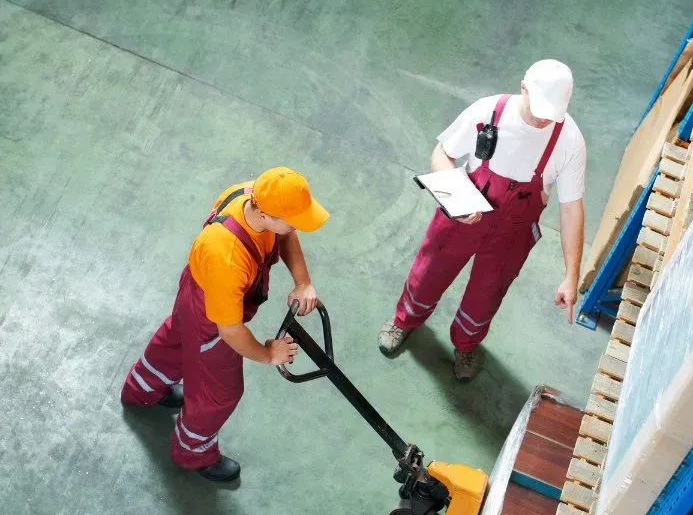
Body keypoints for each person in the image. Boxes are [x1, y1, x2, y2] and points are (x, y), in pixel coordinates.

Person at [379, 59, 586, 381]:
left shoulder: (570, 141)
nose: (544, 119)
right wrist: (458, 200)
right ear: (523, 88)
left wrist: (572, 275)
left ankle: (466, 344)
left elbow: (572, 207)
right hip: (463, 218)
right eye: (538, 109)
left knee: (487, 293)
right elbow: (442, 154)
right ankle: (404, 320)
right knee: (428, 273)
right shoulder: (488, 112)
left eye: (552, 113)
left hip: (512, 232)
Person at [121, 167, 329, 482]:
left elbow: (287, 233)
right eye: (292, 220)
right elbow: (230, 332)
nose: (296, 226)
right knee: (219, 392)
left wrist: (303, 281)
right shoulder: (227, 257)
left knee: (178, 338)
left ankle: (143, 388)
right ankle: (193, 452)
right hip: (212, 314)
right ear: (265, 214)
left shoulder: (251, 194)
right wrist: (267, 354)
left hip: (198, 289)